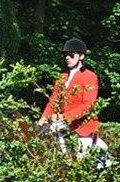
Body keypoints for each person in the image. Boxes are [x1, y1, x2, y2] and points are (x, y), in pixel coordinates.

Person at [38, 38, 110, 167]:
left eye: (71, 55)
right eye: (65, 55)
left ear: (81, 56)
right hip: (60, 126)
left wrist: (64, 117)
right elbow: (53, 101)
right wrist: (44, 117)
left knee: (92, 163)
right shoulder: (62, 78)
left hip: (81, 128)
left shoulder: (89, 76)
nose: (67, 58)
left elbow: (88, 105)